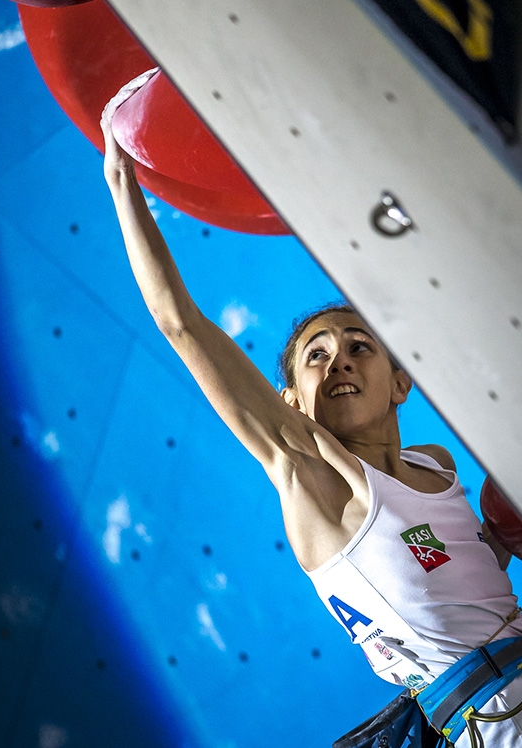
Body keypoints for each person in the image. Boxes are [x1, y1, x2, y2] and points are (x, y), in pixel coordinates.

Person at [100, 106, 522, 748]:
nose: (341, 360)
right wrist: (122, 180)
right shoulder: (316, 484)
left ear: (401, 382)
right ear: (292, 402)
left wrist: (502, 540)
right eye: (316, 355)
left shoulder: (436, 466)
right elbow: (180, 324)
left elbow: (454, 570)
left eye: (359, 346)